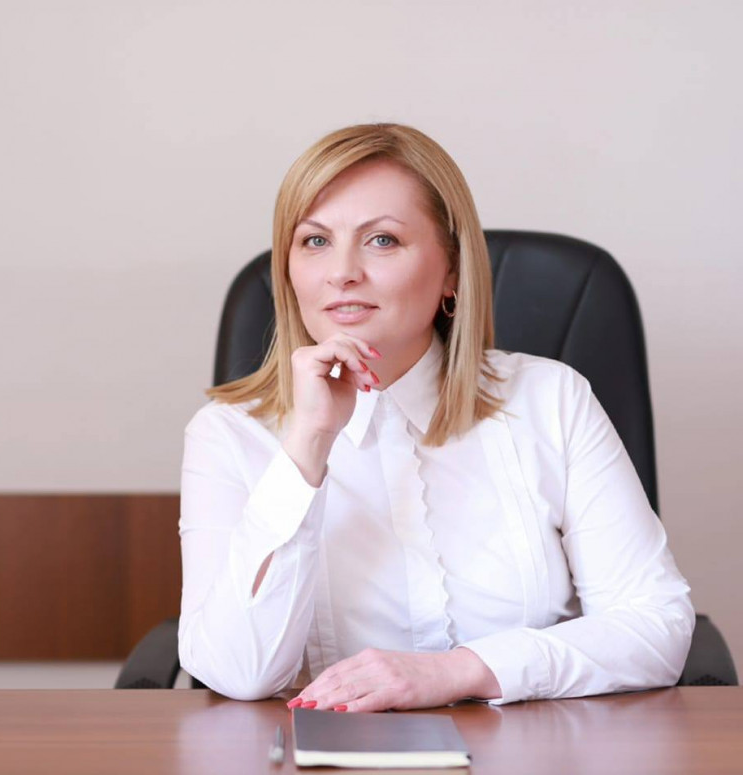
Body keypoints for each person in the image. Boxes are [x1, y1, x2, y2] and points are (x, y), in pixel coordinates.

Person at [178, 123, 694, 710]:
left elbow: (656, 625)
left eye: (382, 240)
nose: (341, 272)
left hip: (531, 748)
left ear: (451, 270)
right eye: (315, 241)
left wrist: (461, 671)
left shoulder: (551, 400)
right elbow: (238, 673)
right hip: (323, 751)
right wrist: (308, 445)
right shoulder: (227, 434)